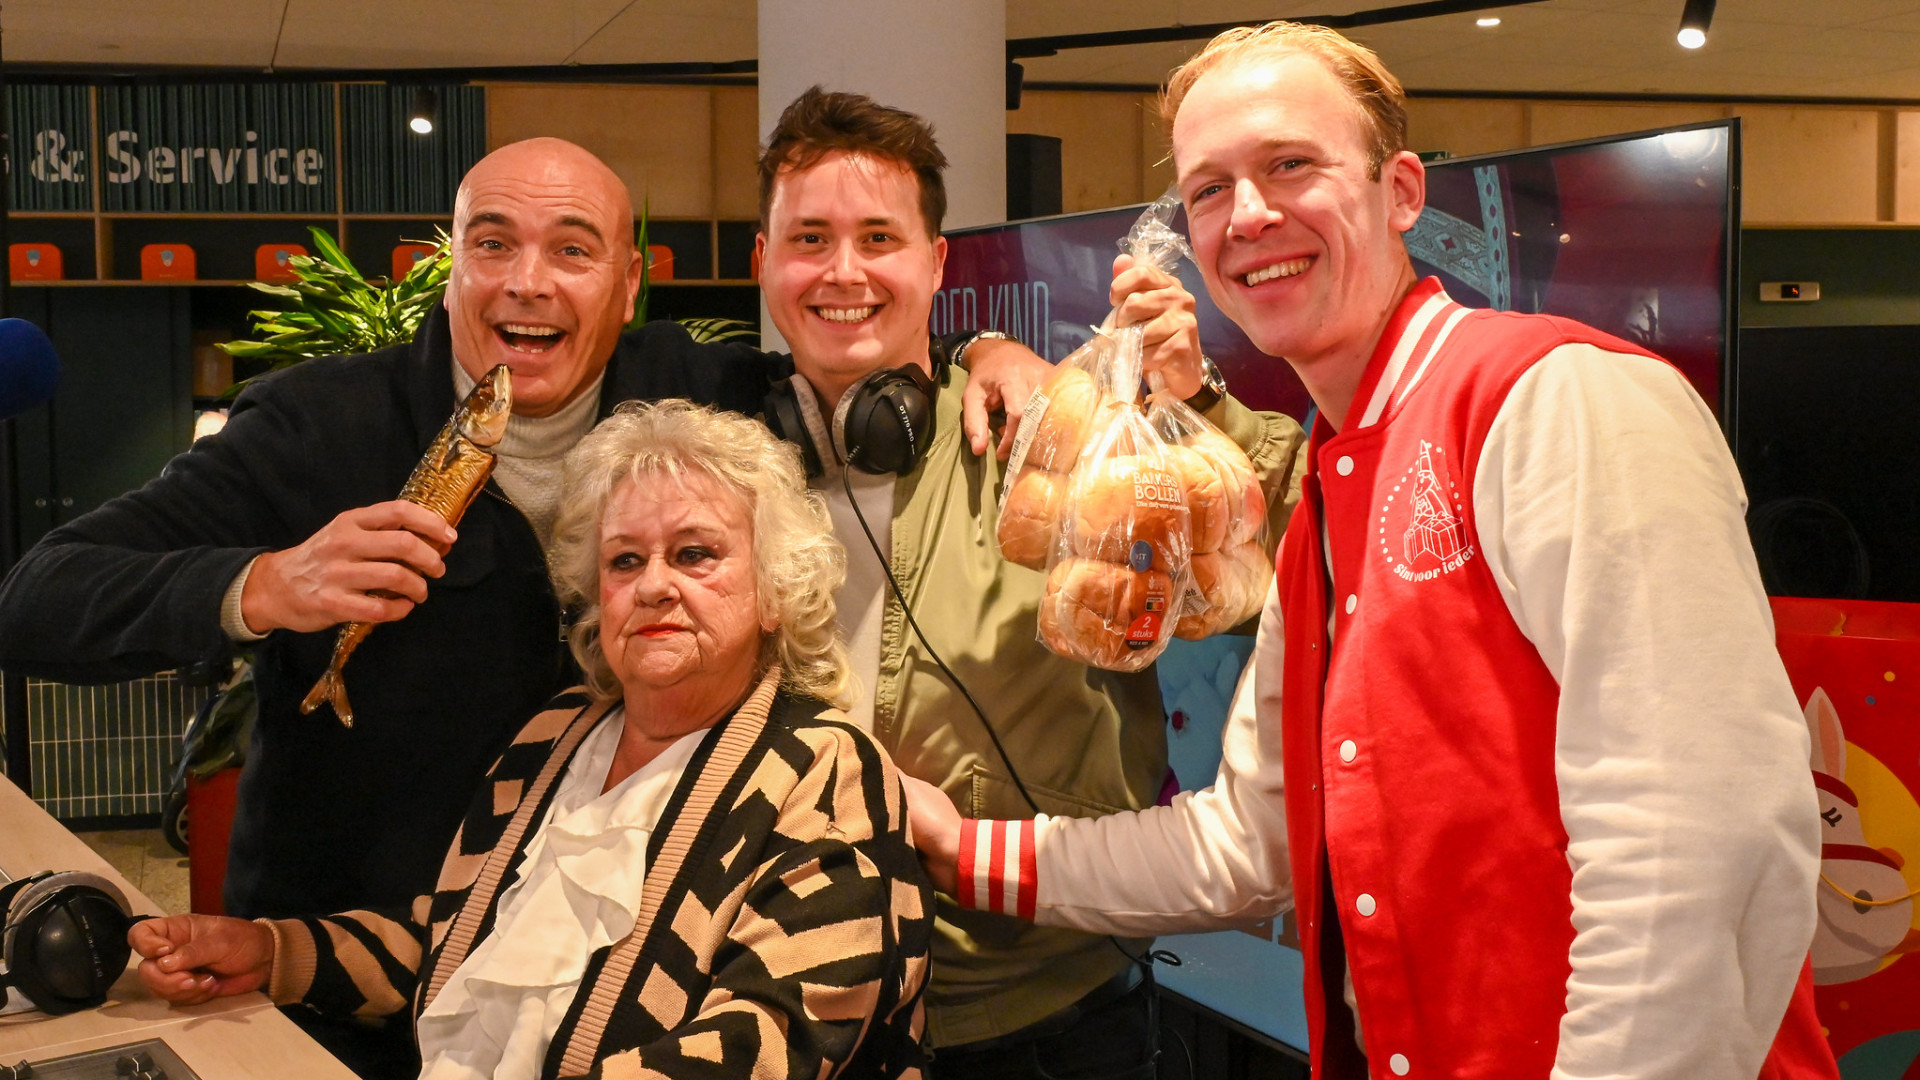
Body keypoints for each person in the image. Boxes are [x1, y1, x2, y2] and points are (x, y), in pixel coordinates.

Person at [904, 22, 1840, 1080]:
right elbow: (1248, 844)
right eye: (1207, 189)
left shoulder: (1559, 400)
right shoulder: (1321, 498)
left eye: (1290, 165)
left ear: (1400, 192)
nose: (1248, 215)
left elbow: (1696, 846)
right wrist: (959, 846)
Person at [0, 136, 1036, 1077]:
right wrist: (266, 584)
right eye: (492, 243)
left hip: (618, 999)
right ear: (450, 270)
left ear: (628, 285)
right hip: (341, 989)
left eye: (573, 250)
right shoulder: (318, 428)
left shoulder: (690, 393)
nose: (527, 281)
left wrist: (994, 355)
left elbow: (861, 352)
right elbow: (38, 597)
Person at [749, 88, 1307, 1079]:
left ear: (935, 263)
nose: (844, 271)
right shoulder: (720, 470)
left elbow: (1303, 540)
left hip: (1047, 1010)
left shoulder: (1046, 434)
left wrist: (1196, 398)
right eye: (810, 238)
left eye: (879, 237)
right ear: (763, 262)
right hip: (791, 1002)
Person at [127, 401, 934, 1080]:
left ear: (772, 593)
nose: (654, 584)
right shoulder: (559, 732)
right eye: (625, 560)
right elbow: (460, 938)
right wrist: (270, 951)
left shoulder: (828, 771)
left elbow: (769, 1044)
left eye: (695, 554)